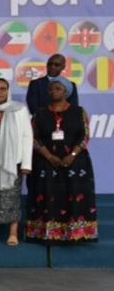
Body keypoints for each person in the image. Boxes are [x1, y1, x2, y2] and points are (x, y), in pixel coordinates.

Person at [26, 78, 97, 244]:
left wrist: (72, 155)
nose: (53, 91)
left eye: (58, 88)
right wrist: (50, 156)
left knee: (75, 195)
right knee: (47, 196)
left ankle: (75, 233)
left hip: (75, 162)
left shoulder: (79, 112)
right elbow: (34, 138)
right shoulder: (40, 113)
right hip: (46, 162)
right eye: (50, 89)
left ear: (66, 91)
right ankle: (47, 233)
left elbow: (84, 136)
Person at [0, 78, 33, 246]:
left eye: (2, 88)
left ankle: (13, 233)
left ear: (8, 90)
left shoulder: (19, 109)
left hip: (13, 162)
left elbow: (27, 135)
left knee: (12, 198)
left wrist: (26, 164)